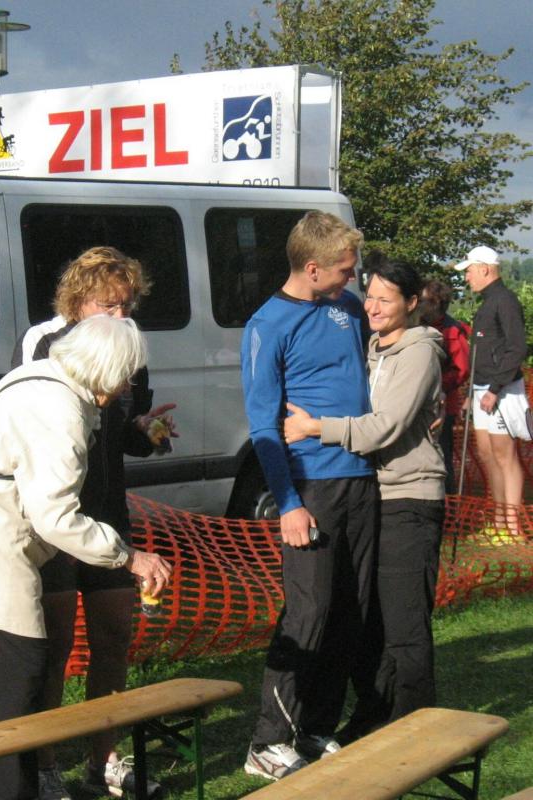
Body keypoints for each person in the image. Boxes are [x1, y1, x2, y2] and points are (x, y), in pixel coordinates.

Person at [0, 315, 172, 800]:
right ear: (106, 368)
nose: (125, 388)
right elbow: (55, 517)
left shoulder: (29, 379)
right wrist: (130, 557)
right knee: (15, 709)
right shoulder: (63, 410)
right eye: (125, 376)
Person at [12, 246, 175, 800]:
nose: (120, 315)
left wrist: (146, 434)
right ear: (78, 301)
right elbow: (36, 425)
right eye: (109, 304)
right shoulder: (43, 341)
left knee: (113, 636)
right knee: (55, 645)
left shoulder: (131, 346)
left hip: (109, 512)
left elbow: (120, 430)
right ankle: (45, 764)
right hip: (55, 518)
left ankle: (101, 760)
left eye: (127, 304)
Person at [240, 211, 379, 780]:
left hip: (362, 477)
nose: (353, 278)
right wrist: (289, 502)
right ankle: (267, 742)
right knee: (309, 613)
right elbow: (263, 426)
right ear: (313, 268)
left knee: (350, 609)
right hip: (311, 485)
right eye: (345, 270)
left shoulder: (348, 307)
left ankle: (317, 725)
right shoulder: (267, 324)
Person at [285, 253, 446, 730]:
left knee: (404, 623)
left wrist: (316, 427)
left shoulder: (418, 352)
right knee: (370, 621)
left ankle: (417, 728)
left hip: (410, 499)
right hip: (375, 494)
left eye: (385, 299)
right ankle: (375, 714)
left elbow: (385, 426)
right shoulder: (373, 348)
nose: (372, 307)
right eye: (369, 296)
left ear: (411, 303)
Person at [453, 245, 527, 529]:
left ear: (484, 269)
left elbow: (516, 348)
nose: (467, 277)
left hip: (502, 390)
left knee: (504, 456)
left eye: (469, 271)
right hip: (482, 389)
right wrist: (472, 393)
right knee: (486, 453)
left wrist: (495, 389)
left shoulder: (505, 300)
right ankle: (498, 522)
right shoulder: (487, 301)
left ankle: (513, 526)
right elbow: (481, 353)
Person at [419, 279, 471, 493]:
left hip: (442, 405)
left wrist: (436, 387)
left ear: (435, 303)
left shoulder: (453, 331)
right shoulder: (417, 325)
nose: (417, 304)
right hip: (419, 403)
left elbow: (461, 370)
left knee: (442, 455)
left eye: (422, 300)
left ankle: (447, 502)